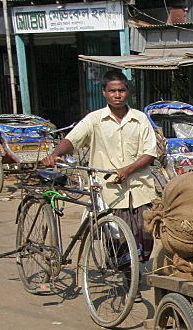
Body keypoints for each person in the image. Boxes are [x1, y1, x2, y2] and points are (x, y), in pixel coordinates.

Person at [42, 69, 158, 267]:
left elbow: (150, 152)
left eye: (121, 90)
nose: (117, 95)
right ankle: (130, 282)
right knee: (117, 240)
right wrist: (56, 154)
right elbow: (73, 139)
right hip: (109, 192)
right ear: (104, 92)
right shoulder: (94, 119)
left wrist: (127, 170)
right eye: (112, 91)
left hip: (140, 190)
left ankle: (134, 273)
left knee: (145, 237)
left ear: (127, 92)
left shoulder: (140, 118)